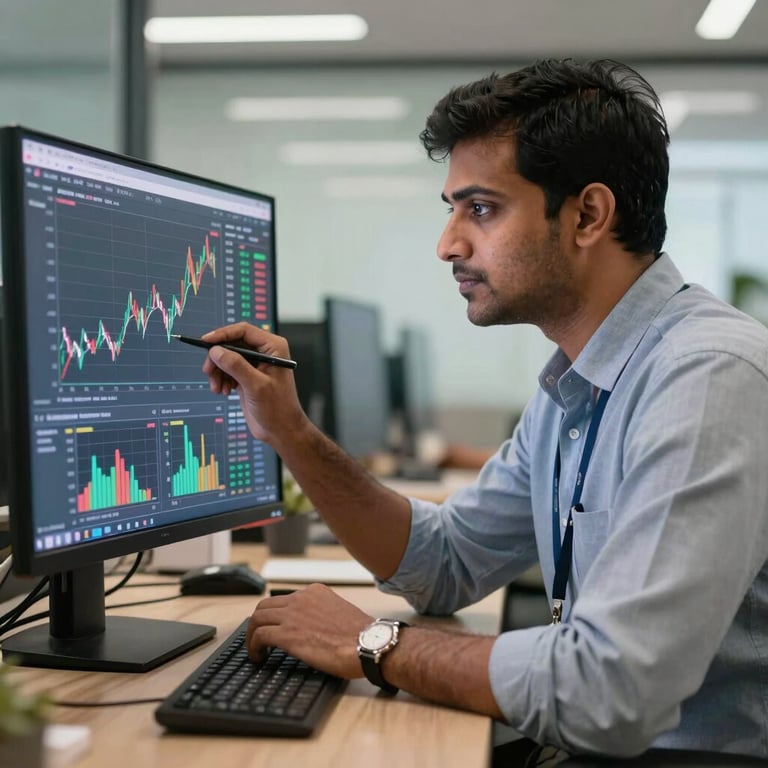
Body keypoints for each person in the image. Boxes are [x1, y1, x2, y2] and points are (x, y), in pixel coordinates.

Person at [201, 58, 768, 762]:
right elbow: (443, 562)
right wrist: (290, 430)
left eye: (481, 209)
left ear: (588, 215)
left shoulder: (707, 376)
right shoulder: (575, 386)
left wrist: (372, 643)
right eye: (453, 210)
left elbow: (612, 690)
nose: (449, 244)